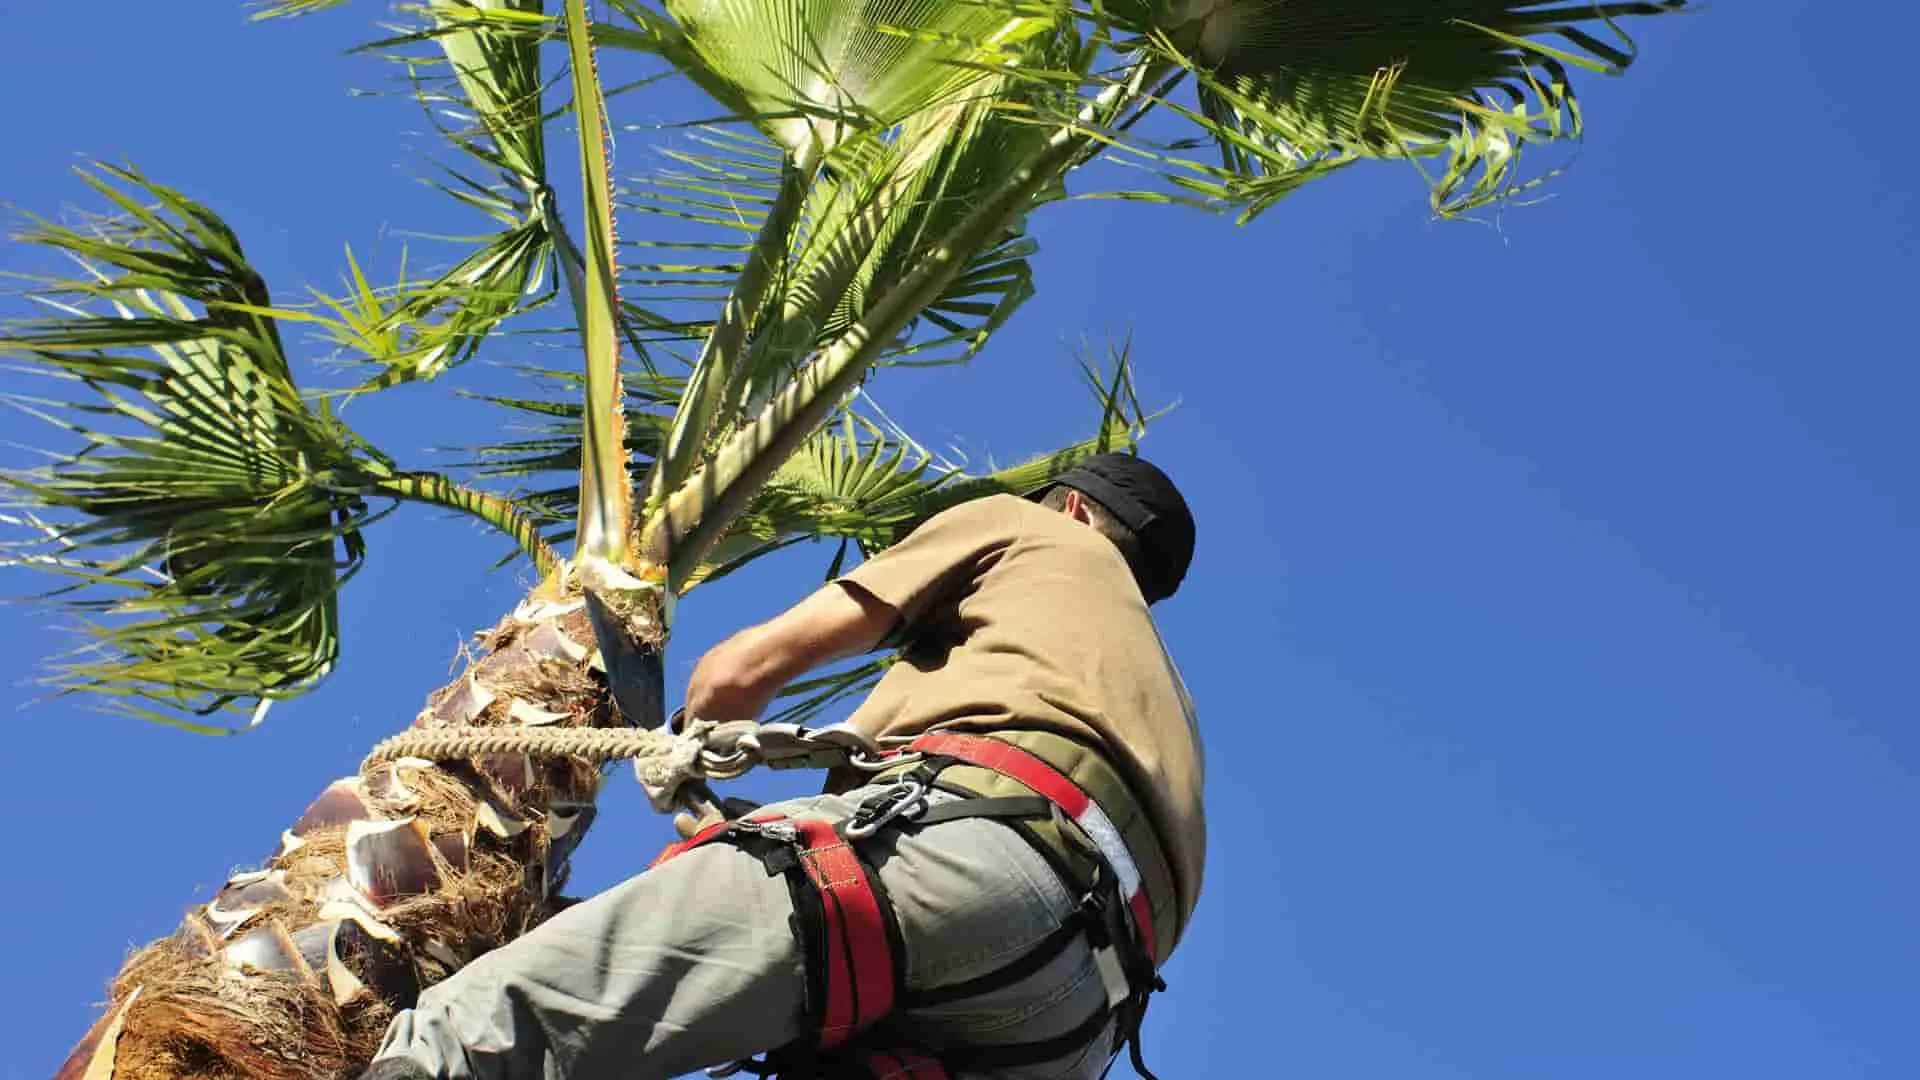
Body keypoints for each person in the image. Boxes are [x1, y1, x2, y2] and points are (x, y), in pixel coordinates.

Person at [362, 452, 1205, 1080]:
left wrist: (691, 739)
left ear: (1077, 510)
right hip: (1076, 1023)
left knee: (481, 1032)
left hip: (963, 865)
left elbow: (743, 672)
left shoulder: (1034, 530)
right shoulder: (1167, 702)